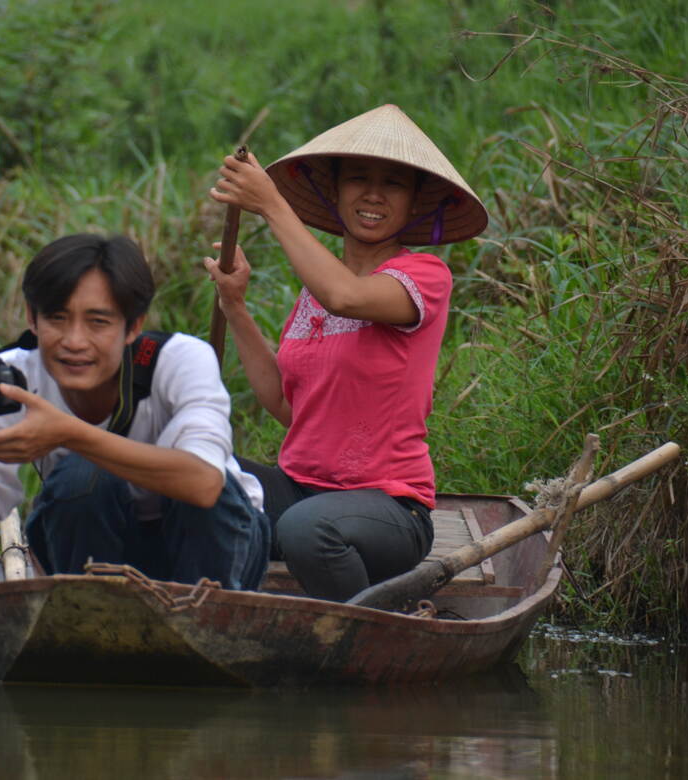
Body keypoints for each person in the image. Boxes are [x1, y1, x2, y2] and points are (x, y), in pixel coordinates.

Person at [204, 104, 488, 602]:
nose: (373, 194)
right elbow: (287, 406)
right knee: (192, 473)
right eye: (358, 178)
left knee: (307, 529)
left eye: (393, 184)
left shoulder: (424, 277)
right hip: (299, 490)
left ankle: (372, 631)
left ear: (414, 203)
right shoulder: (315, 291)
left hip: (388, 508)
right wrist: (235, 305)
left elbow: (347, 296)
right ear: (334, 192)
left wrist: (272, 205)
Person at [0, 233, 270, 591]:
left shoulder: (179, 360)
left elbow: (204, 486)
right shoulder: (9, 381)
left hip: (219, 548)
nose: (75, 342)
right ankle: (91, 612)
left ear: (133, 326)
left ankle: (204, 616)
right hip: (96, 552)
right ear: (32, 318)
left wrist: (69, 433)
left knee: (188, 489)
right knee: (81, 478)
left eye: (98, 322)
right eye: (57, 318)